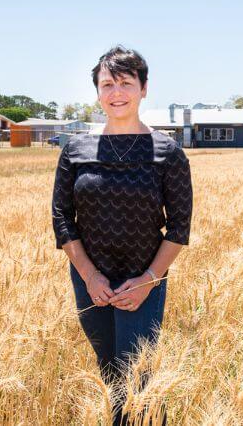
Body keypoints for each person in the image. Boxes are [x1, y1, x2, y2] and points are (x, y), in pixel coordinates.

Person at [52, 45, 193, 425]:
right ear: (97, 91)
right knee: (111, 371)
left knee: (137, 375)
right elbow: (62, 217)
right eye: (108, 84)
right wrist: (90, 275)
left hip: (142, 281)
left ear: (143, 89)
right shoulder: (76, 150)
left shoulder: (167, 153)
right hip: (90, 281)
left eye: (126, 83)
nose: (117, 92)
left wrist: (148, 281)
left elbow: (179, 228)